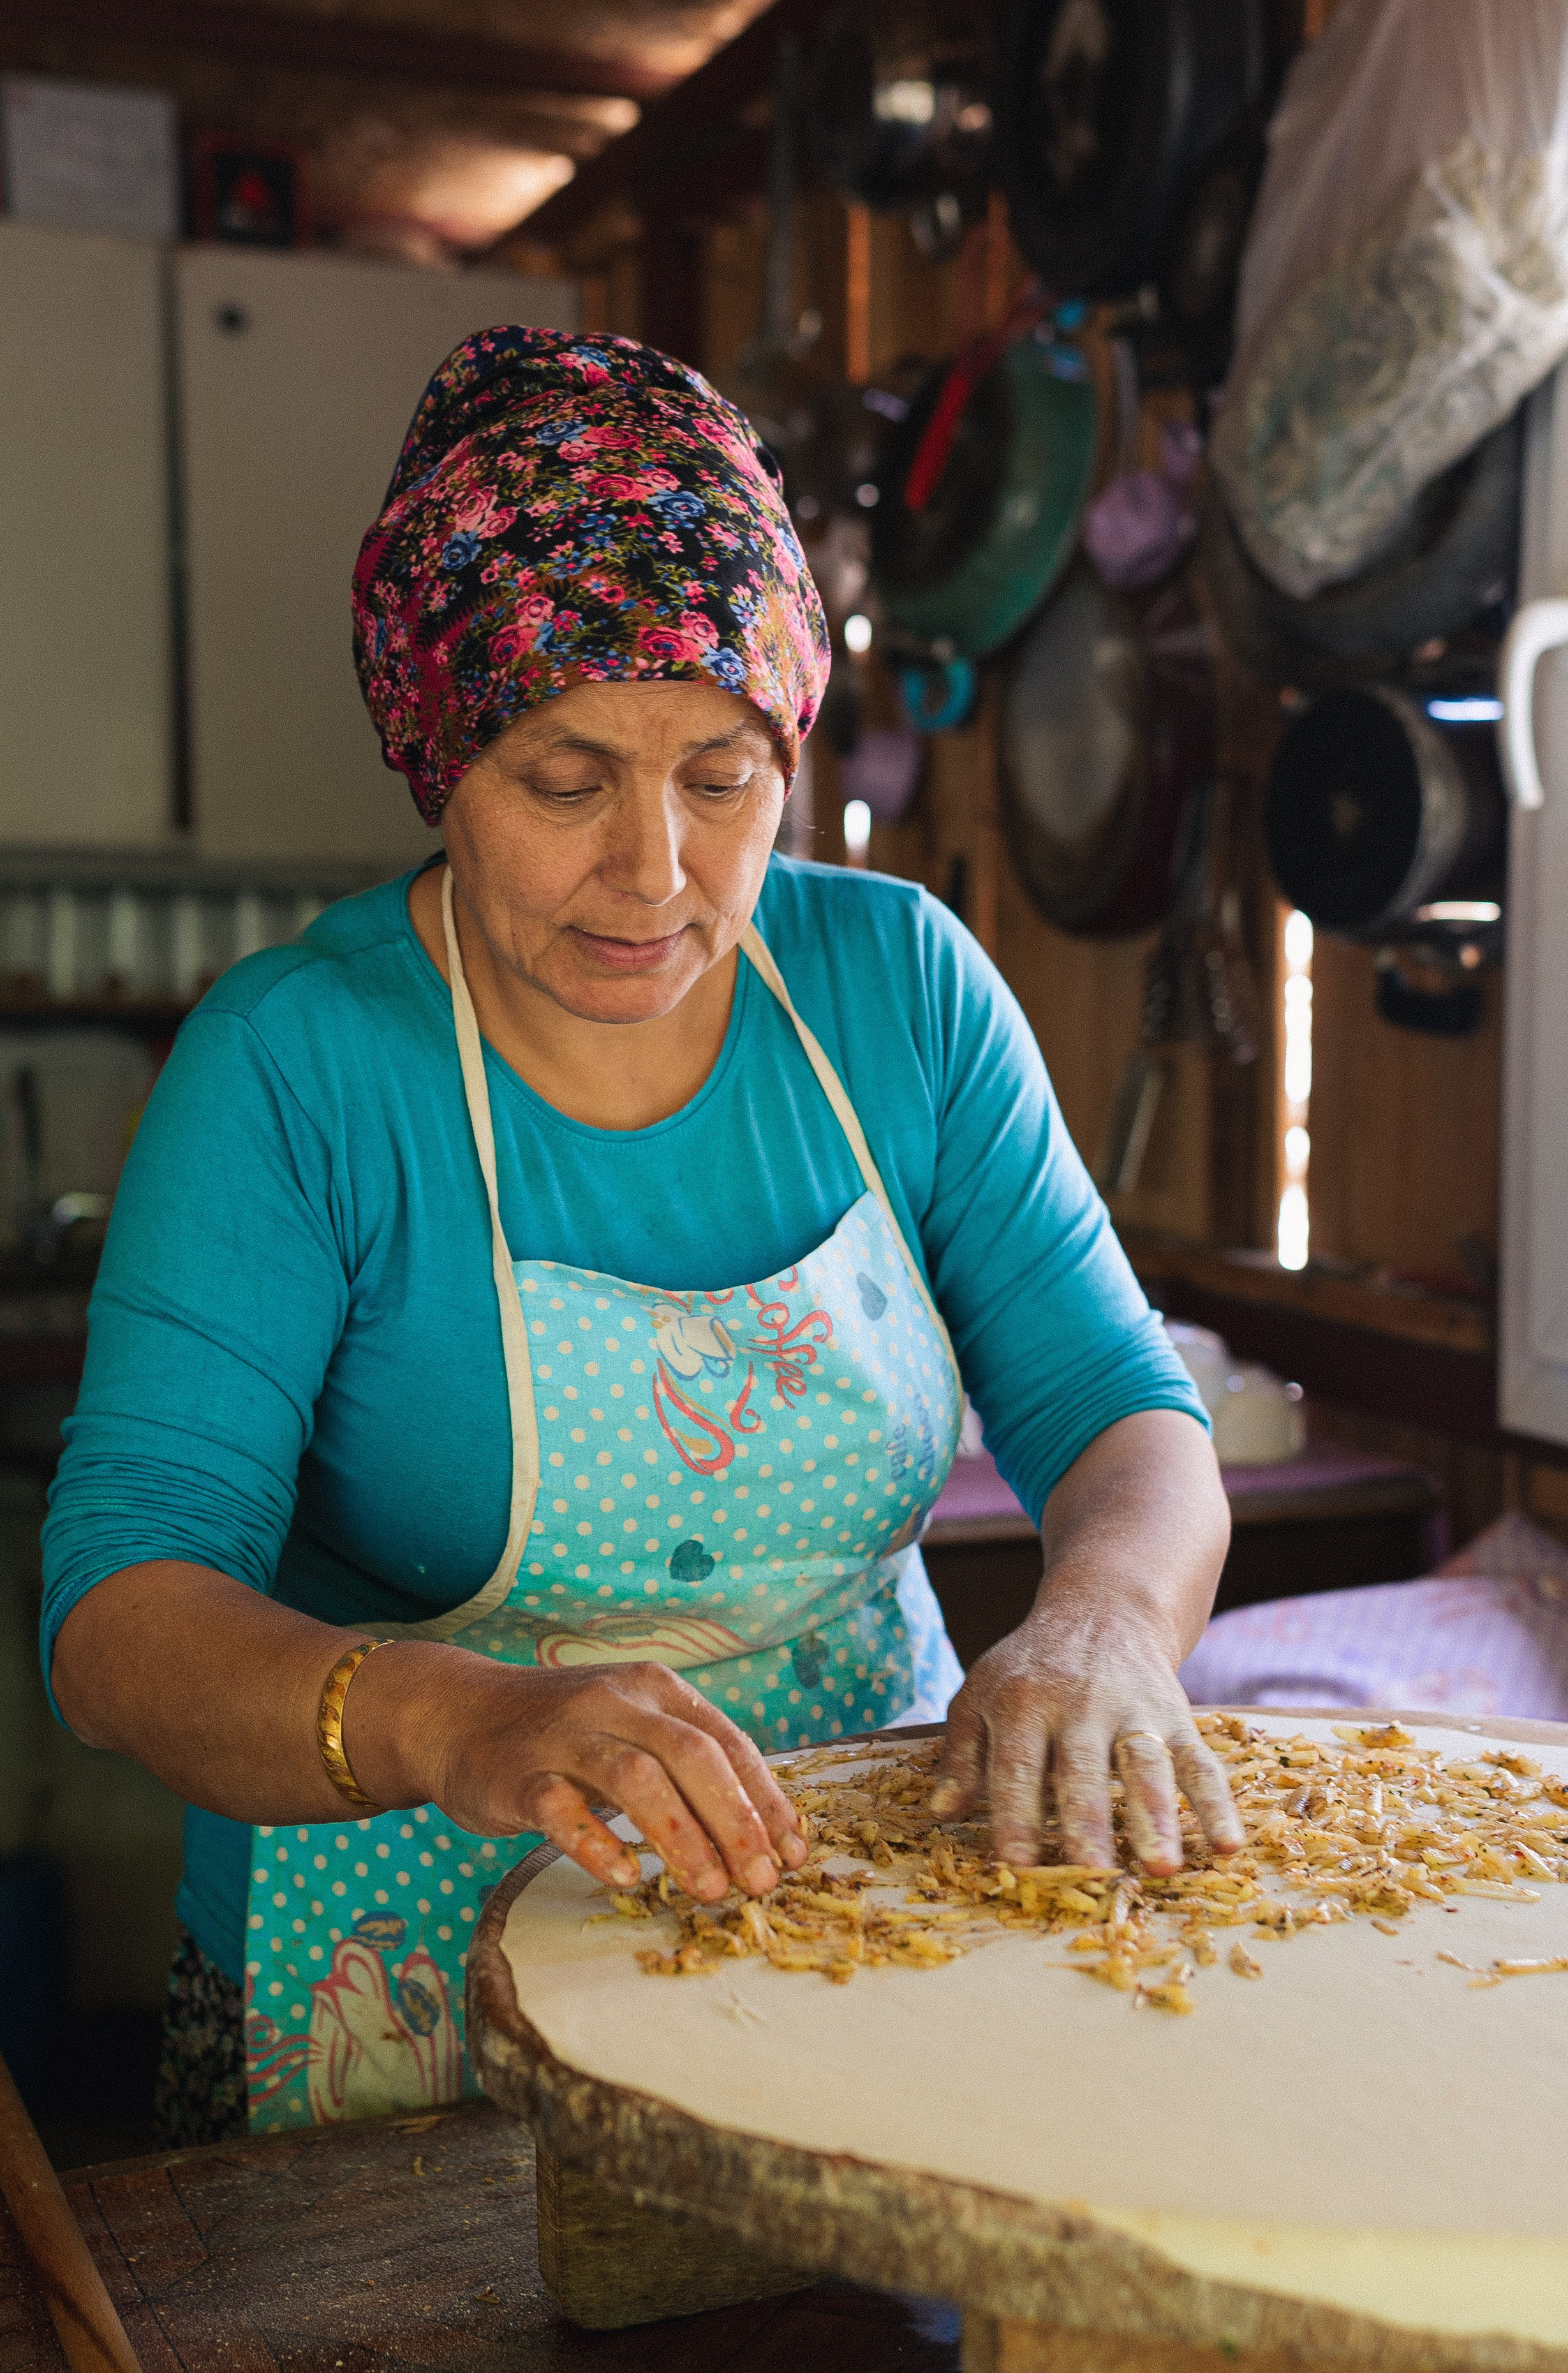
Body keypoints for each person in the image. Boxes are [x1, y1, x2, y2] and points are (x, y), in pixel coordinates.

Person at [42, 329, 1239, 2146]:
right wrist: (461, 1723)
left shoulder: (901, 992)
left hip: (856, 1937)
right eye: (566, 779)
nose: (656, 871)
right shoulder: (298, 1067)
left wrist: (1104, 1623)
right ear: (441, 753)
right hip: (399, 1999)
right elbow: (122, 1611)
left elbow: (1119, 1408)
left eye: (723, 777)